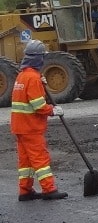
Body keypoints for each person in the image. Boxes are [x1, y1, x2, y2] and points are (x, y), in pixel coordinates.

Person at [10, 39, 66, 200]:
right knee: (40, 158)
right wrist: (53, 110)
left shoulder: (22, 76)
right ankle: (49, 189)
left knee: (26, 161)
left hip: (20, 127)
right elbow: (38, 105)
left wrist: (40, 83)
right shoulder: (33, 78)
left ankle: (25, 191)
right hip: (31, 127)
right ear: (38, 58)